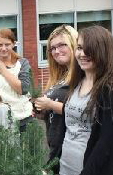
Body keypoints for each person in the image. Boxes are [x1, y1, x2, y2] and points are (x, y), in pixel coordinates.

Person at [58, 25, 113, 175]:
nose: (82, 54)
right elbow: (65, 129)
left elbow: (106, 141)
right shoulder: (76, 84)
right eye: (80, 48)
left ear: (102, 51)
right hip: (65, 166)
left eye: (89, 49)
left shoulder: (107, 90)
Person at [34, 25, 77, 173]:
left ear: (74, 44)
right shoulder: (59, 77)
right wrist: (42, 111)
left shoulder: (81, 76)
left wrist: (50, 104)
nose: (56, 51)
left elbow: (82, 113)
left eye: (62, 45)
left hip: (70, 148)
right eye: (52, 48)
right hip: (55, 144)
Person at [0, 28, 32, 132]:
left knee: (23, 147)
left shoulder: (22, 63)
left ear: (13, 44)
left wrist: (4, 71)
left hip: (22, 118)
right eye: (0, 45)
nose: (3, 48)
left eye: (7, 44)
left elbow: (23, 89)